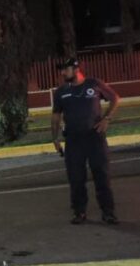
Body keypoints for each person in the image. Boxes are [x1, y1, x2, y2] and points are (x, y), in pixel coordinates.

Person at [51, 58, 120, 225]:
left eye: (65, 69)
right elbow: (55, 117)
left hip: (95, 138)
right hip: (74, 140)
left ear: (76, 69)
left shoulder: (94, 84)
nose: (62, 73)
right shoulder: (60, 92)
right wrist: (55, 138)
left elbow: (115, 99)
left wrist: (106, 119)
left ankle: (108, 212)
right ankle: (79, 212)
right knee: (76, 178)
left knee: (102, 176)